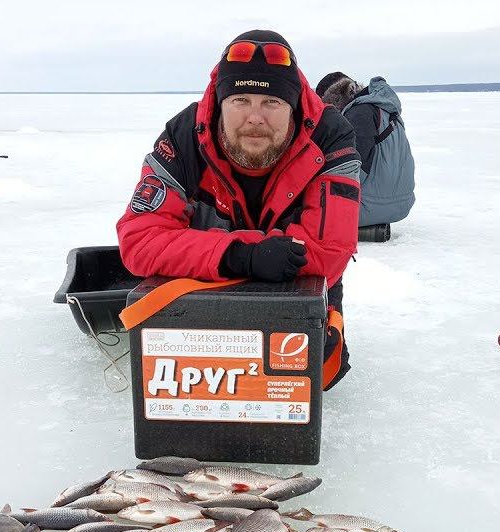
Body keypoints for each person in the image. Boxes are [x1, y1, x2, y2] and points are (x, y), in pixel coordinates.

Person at [117, 30, 361, 389]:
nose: (255, 118)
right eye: (241, 99)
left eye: (272, 103)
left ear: (293, 107)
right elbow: (139, 240)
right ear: (220, 103)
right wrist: (240, 254)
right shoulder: (184, 136)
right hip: (202, 287)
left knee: (316, 376)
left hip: (295, 292)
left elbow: (328, 252)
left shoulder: (330, 136)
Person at [316, 72, 416, 237]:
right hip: (401, 202)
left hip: (372, 205)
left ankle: (356, 229)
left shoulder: (357, 114)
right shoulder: (382, 107)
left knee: (305, 210)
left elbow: (353, 170)